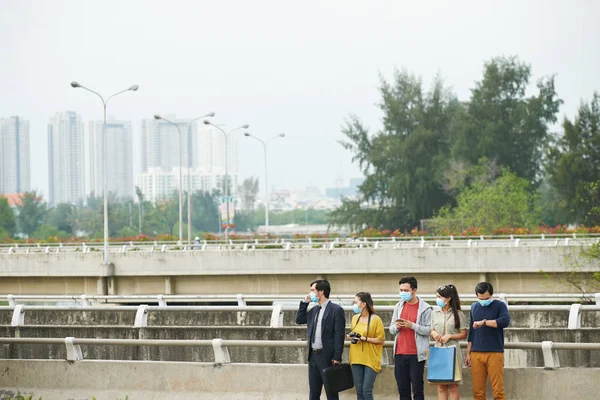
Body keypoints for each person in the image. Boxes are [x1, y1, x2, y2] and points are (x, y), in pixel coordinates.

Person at [296, 279, 346, 400]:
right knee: (313, 393)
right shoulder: (314, 310)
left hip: (327, 357)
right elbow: (299, 319)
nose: (310, 293)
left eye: (313, 290)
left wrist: (337, 356)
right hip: (313, 356)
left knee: (331, 392)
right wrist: (305, 302)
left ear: (321, 292)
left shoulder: (336, 310)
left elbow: (339, 334)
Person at [465, 282, 510, 400]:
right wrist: (468, 353)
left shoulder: (499, 305)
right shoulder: (474, 307)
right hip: (476, 353)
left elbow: (504, 321)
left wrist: (484, 322)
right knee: (478, 392)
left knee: (498, 391)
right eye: (481, 298)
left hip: (494, 352)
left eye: (486, 298)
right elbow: (471, 331)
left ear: (492, 294)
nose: (483, 301)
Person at [389, 276, 432, 400]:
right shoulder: (398, 306)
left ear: (414, 290)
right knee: (403, 390)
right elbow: (391, 329)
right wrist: (396, 326)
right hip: (399, 353)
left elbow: (429, 330)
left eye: (406, 290)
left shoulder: (425, 308)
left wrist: (412, 326)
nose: (403, 293)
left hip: (416, 354)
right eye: (401, 290)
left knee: (418, 389)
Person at [430, 284, 468, 400]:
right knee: (440, 385)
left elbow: (464, 334)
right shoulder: (434, 313)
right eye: (437, 296)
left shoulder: (459, 314)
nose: (438, 299)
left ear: (449, 298)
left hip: (452, 351)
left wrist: (450, 336)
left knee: (453, 385)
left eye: (440, 297)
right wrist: (434, 333)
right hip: (438, 350)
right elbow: (431, 329)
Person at [347, 292, 385, 400]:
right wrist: (351, 336)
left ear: (363, 304)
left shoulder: (376, 319)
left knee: (366, 391)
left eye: (356, 302)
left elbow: (381, 340)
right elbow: (353, 332)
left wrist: (365, 339)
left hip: (370, 359)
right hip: (356, 357)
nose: (354, 305)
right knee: (359, 392)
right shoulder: (355, 318)